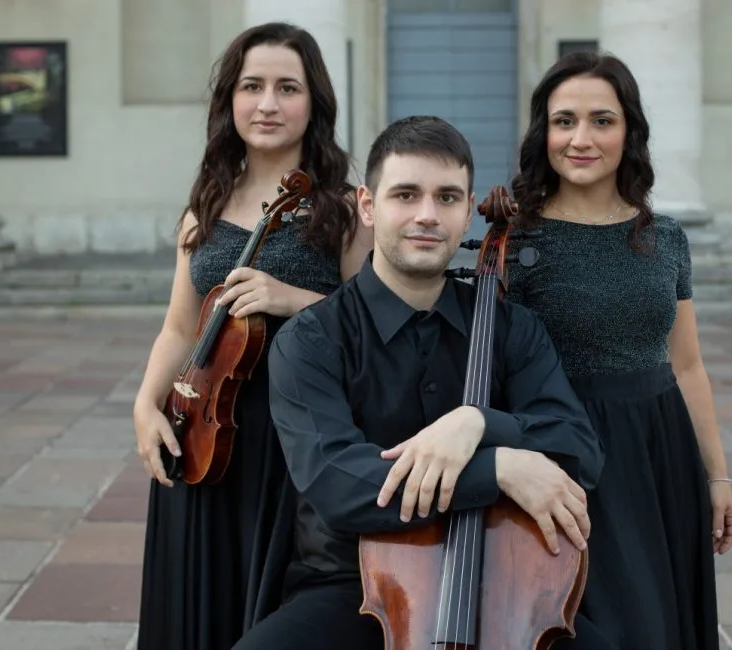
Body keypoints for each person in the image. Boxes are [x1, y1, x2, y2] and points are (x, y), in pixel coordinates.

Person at [230, 115, 607, 650]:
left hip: (503, 583)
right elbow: (341, 485)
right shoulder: (310, 340)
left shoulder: (512, 328)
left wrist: (478, 422)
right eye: (406, 195)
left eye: (447, 198)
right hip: (351, 588)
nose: (427, 215)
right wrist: (498, 467)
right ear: (367, 206)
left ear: (467, 209)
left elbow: (578, 450)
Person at [132, 22, 373, 650]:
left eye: (287, 87)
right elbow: (180, 326)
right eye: (252, 86)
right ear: (230, 100)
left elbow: (373, 325)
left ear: (314, 103)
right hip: (201, 428)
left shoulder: (343, 211)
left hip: (289, 440)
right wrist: (145, 403)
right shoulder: (206, 205)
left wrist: (295, 299)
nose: (267, 103)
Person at [504, 51, 732, 650]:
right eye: (564, 121)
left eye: (602, 121)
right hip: (567, 453)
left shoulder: (665, 238)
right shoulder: (516, 242)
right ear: (543, 133)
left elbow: (687, 363)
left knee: (661, 618)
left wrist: (717, 476)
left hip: (660, 449)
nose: (581, 139)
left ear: (629, 131)